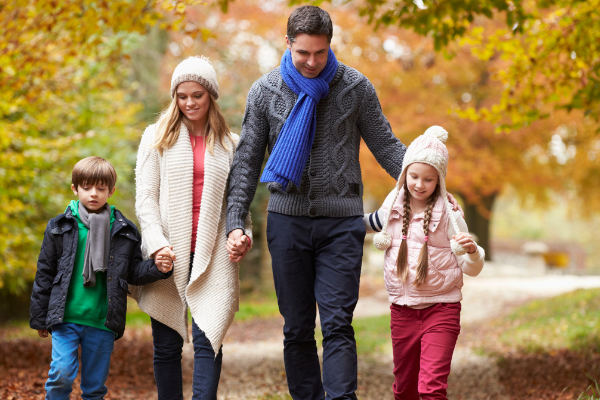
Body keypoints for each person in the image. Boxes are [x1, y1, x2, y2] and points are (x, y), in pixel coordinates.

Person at [225, 5, 413, 399]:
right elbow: (246, 161)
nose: (312, 62)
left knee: (337, 324)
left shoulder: (356, 88)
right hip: (286, 222)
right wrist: (236, 221)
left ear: (330, 46)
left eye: (320, 53)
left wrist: (433, 181)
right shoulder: (264, 91)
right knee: (296, 328)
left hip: (341, 224)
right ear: (288, 44)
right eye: (303, 53)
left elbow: (387, 147)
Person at [132, 56, 252, 400]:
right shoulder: (156, 138)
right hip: (168, 252)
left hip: (213, 252)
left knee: (208, 340)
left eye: (197, 95)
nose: (189, 103)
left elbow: (239, 205)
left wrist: (240, 233)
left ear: (210, 95)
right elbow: (146, 200)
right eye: (182, 96)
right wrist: (156, 244)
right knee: (167, 345)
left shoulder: (231, 143)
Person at [29, 156, 172, 399]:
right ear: (75, 188)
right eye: (86, 187)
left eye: (101, 188)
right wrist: (40, 317)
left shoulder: (125, 230)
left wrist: (157, 268)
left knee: (94, 388)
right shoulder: (59, 226)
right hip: (65, 318)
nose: (93, 194)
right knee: (61, 375)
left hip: (102, 321)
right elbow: (45, 272)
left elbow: (133, 272)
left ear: (111, 190)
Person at [364, 126, 485, 400]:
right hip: (402, 311)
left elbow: (471, 267)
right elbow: (365, 225)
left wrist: (474, 252)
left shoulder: (450, 215)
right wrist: (332, 222)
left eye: (428, 179)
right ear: (404, 173)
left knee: (431, 388)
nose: (419, 184)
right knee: (404, 390)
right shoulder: (392, 205)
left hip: (442, 310)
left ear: (439, 181)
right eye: (414, 176)